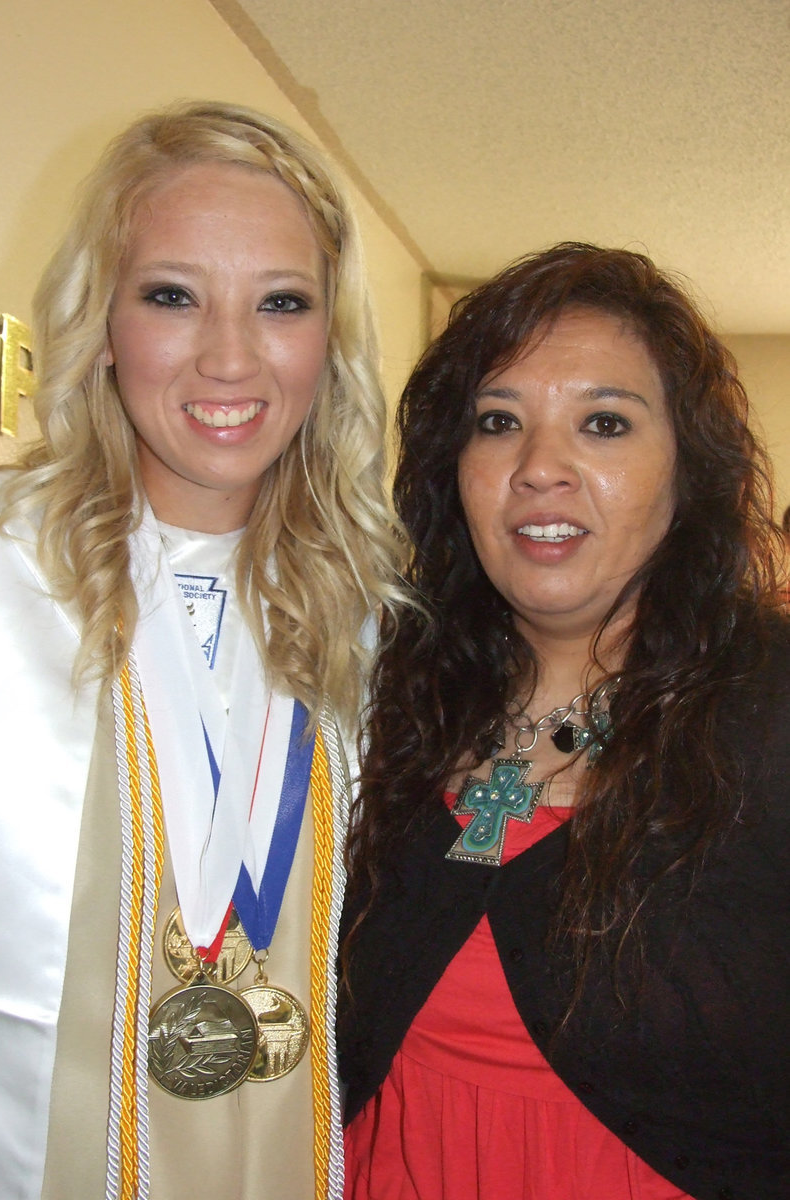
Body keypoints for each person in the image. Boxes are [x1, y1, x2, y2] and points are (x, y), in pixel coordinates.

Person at [0, 100, 402, 1200]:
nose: (230, 356)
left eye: (281, 303)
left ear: (330, 340)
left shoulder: (365, 623)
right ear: (102, 320)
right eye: (173, 296)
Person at [338, 243, 790, 1200]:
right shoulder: (370, 700)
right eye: (498, 422)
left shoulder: (772, 711)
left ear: (687, 470)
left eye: (605, 423)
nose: (542, 467)